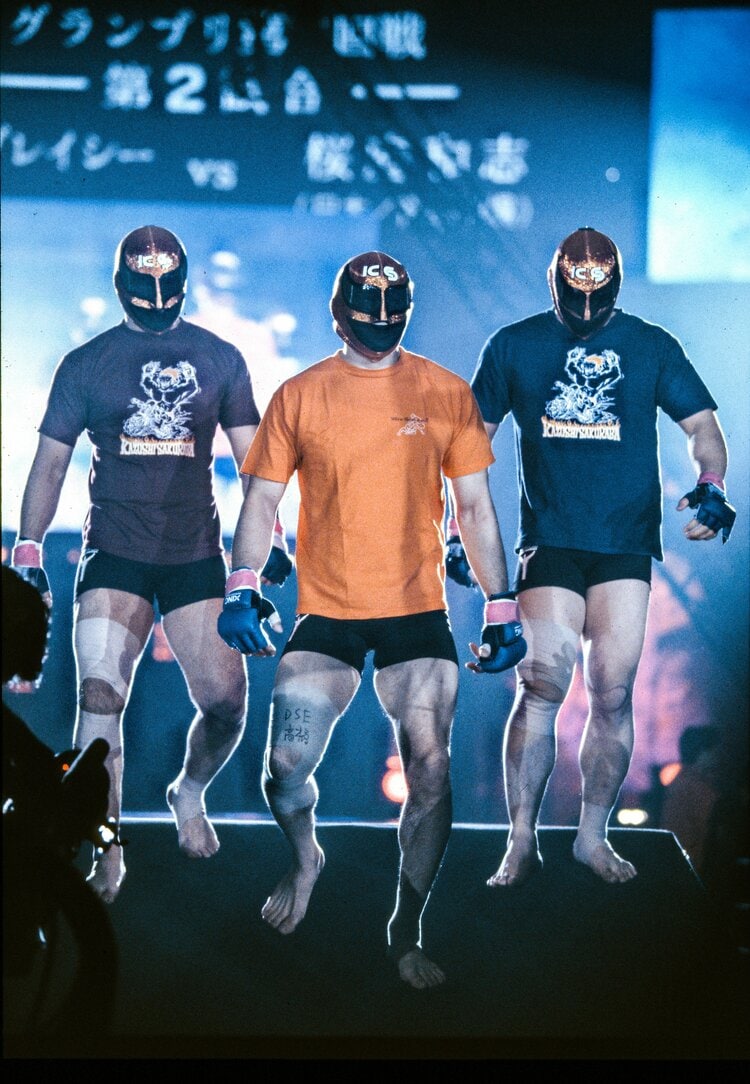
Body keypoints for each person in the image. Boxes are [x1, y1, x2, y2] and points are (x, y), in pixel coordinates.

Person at [216, 251, 526, 988]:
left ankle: (405, 927)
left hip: (415, 614)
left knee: (432, 766)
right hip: (328, 612)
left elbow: (475, 508)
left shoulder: (443, 391)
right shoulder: (301, 395)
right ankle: (306, 858)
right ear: (339, 316)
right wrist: (240, 585)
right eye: (366, 318)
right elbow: (261, 502)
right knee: (284, 768)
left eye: (392, 318)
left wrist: (502, 603)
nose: (380, 329)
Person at [10, 224, 290, 904]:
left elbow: (257, 466)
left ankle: (188, 790)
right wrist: (27, 548)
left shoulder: (220, 358)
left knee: (226, 704)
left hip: (193, 555)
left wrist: (271, 542)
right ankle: (107, 853)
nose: (160, 304)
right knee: (99, 700)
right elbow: (50, 464)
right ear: (122, 288)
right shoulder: (86, 363)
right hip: (115, 555)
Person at [451, 226, 735, 886]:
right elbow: (467, 444)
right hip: (551, 539)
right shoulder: (515, 345)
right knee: (542, 686)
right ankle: (521, 837)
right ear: (556, 285)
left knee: (612, 692)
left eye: (595, 302)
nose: (584, 313)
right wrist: (457, 531)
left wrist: (712, 484)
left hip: (624, 544)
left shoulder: (650, 345)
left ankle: (591, 835)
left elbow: (702, 426)